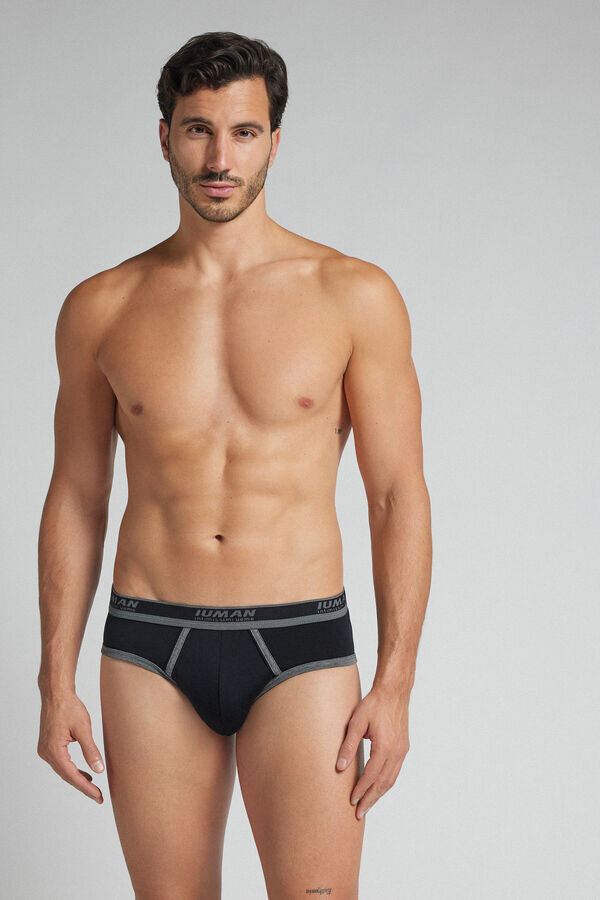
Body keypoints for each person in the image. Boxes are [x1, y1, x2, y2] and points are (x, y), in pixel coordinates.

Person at [36, 31, 432, 900]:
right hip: (148, 646)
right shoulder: (101, 307)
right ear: (165, 137)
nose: (220, 159)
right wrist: (53, 680)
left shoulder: (352, 295)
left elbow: (396, 495)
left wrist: (397, 683)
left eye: (244, 132)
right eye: (198, 130)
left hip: (302, 647)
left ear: (274, 142)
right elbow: (76, 495)